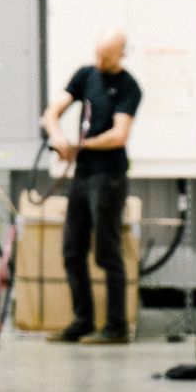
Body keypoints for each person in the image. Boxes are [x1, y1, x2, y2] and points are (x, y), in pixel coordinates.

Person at [42, 28, 142, 344]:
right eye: (97, 54)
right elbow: (52, 111)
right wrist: (57, 135)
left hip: (109, 177)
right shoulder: (86, 75)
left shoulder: (129, 87)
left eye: (107, 57)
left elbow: (119, 135)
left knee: (107, 253)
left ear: (121, 55)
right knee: (72, 250)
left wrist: (81, 146)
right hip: (82, 177)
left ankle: (116, 328)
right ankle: (82, 320)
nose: (100, 61)